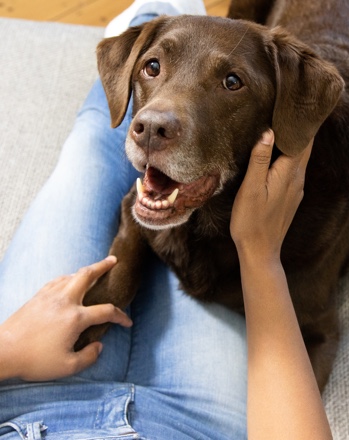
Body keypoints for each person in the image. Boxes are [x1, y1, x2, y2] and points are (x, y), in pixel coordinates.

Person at [0, 1, 332, 438]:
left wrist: (6, 350)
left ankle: (155, 15)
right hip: (196, 425)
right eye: (153, 67)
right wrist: (259, 253)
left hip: (30, 397)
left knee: (92, 151)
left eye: (231, 82)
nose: (151, 121)